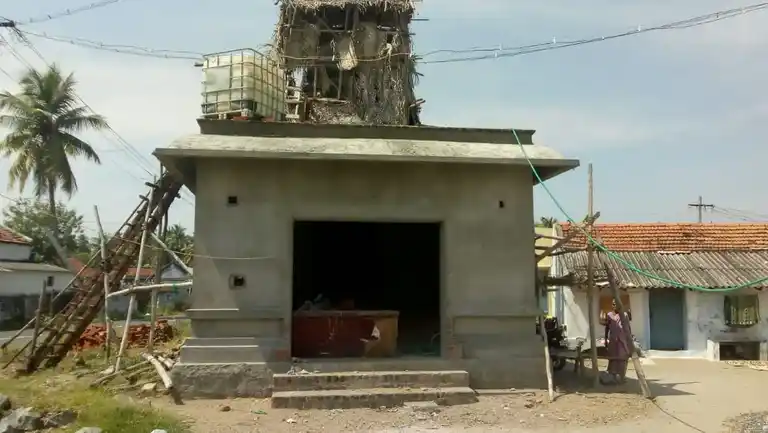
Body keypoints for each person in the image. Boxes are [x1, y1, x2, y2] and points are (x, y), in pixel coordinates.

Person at [603, 299, 632, 384]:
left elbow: (628, 328)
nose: (614, 305)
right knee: (613, 359)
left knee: (622, 358)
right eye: (613, 304)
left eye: (616, 304)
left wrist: (629, 339)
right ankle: (614, 377)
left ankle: (622, 377)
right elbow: (607, 327)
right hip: (613, 340)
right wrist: (605, 339)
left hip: (622, 341)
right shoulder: (609, 315)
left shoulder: (624, 315)